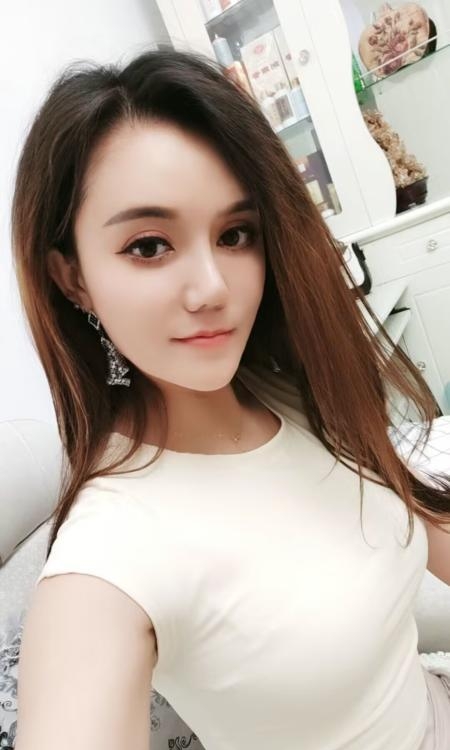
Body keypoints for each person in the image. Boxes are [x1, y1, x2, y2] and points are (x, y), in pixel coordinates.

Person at [11, 46, 450, 750]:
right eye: (149, 246)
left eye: (235, 234)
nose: (214, 288)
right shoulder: (109, 556)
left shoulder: (291, 391)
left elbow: (422, 519)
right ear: (73, 279)